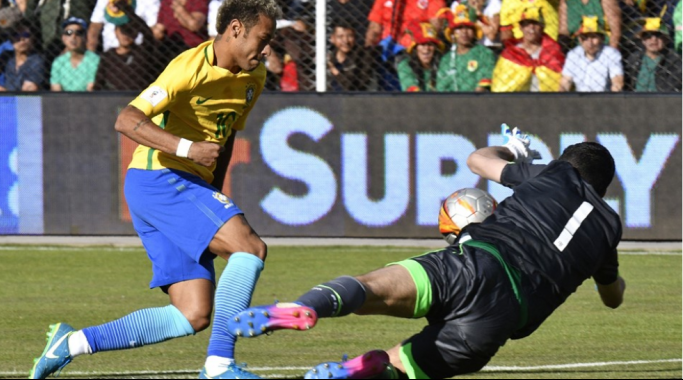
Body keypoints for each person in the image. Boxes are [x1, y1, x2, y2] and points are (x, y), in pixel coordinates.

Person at [227, 125, 626, 379]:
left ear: (566, 165)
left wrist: (511, 151)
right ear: (604, 188)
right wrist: (607, 273)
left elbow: (478, 161)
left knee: (370, 289)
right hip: (500, 320)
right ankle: (354, 373)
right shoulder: (609, 229)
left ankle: (309, 306)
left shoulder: (555, 175)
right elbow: (613, 297)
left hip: (476, 263)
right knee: (401, 366)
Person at [28, 1, 281, 380]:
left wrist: (212, 190)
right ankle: (219, 365)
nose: (266, 50)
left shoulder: (253, 76)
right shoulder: (187, 68)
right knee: (249, 248)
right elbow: (126, 120)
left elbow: (224, 139)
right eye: (263, 39)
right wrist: (187, 149)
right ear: (234, 29)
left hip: (180, 186)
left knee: (190, 314)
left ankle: (71, 343)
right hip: (160, 178)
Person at [491, 7, 565, 92]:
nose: (531, 28)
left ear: (542, 27)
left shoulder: (553, 51)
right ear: (521, 28)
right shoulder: (510, 53)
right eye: (527, 24)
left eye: (535, 24)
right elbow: (500, 87)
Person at [94, 1, 159, 90]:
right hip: (113, 100)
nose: (126, 35)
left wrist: (128, 10)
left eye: (130, 30)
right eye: (123, 31)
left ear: (136, 33)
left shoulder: (142, 52)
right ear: (115, 32)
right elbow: (98, 84)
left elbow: (147, 33)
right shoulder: (108, 56)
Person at [436, 3, 496, 92]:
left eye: (468, 28)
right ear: (453, 33)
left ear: (474, 32)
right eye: (459, 28)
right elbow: (441, 88)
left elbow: (482, 86)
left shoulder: (485, 53)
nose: (464, 32)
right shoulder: (446, 59)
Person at [560, 15, 623, 91]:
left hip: (603, 97)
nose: (590, 43)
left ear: (602, 38)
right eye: (585, 37)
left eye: (594, 37)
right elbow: (565, 83)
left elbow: (617, 82)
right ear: (580, 39)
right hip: (580, 98)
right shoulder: (573, 55)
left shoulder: (611, 54)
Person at [624, 17, 682, 91]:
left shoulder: (675, 60)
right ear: (643, 40)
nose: (654, 39)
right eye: (648, 35)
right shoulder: (634, 58)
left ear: (666, 40)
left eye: (658, 35)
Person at [87, 0, 159, 53]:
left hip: (139, 51)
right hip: (110, 52)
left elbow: (154, 30)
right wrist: (91, 47)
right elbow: (95, 25)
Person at [50, 17, 100, 91]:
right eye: (69, 33)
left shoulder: (94, 60)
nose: (73, 36)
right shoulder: (58, 62)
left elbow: (90, 90)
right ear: (63, 38)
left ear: (84, 37)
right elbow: (56, 91)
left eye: (79, 33)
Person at [327, 19, 375, 91]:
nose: (346, 41)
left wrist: (334, 70)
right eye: (340, 36)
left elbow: (353, 87)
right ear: (332, 38)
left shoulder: (363, 56)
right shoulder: (330, 56)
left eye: (350, 36)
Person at [396, 20, 444, 91]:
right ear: (415, 48)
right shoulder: (405, 65)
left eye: (430, 44)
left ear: (436, 48)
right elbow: (411, 89)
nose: (426, 49)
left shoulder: (443, 64)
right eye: (422, 44)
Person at [0, 20, 44, 91]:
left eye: (26, 35)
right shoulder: (7, 57)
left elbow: (28, 91)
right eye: (17, 35)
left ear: (33, 39)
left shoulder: (36, 61)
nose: (21, 39)